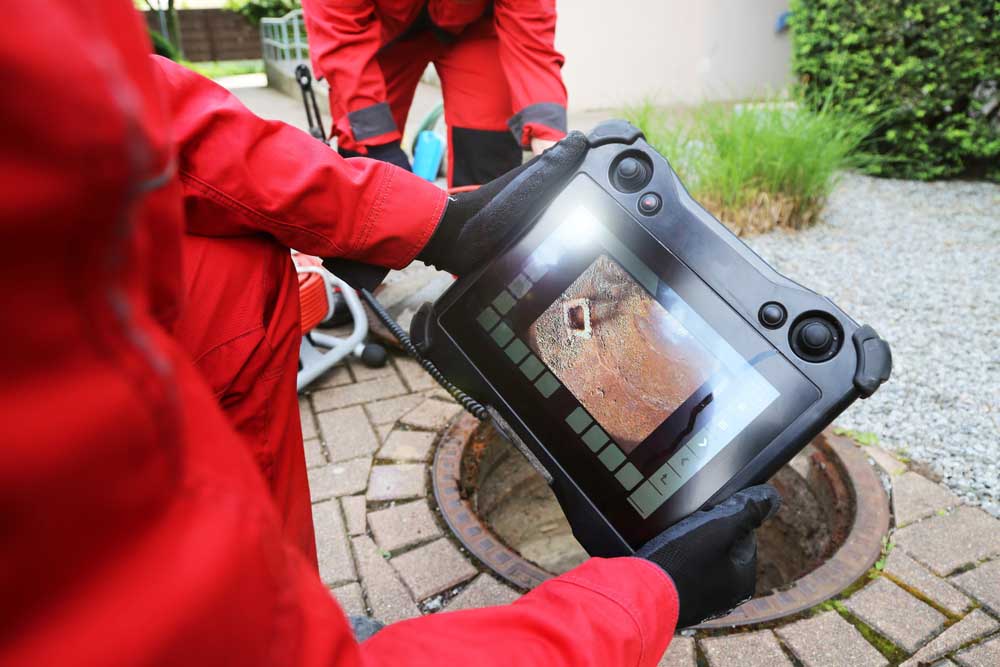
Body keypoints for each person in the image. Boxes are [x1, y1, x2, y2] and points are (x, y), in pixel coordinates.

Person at [0, 2, 779, 666]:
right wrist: (642, 600)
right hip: (376, 31)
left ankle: (280, 592)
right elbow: (340, 40)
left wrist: (426, 217)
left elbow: (145, 114)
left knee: (249, 268)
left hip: (465, 25)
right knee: (372, 141)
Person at [301, 0, 568, 186]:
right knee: (367, 146)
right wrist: (381, 148)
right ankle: (354, 258)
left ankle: (486, 260)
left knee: (488, 152)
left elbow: (532, 39)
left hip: (474, 27)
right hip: (380, 36)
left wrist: (550, 140)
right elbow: (341, 39)